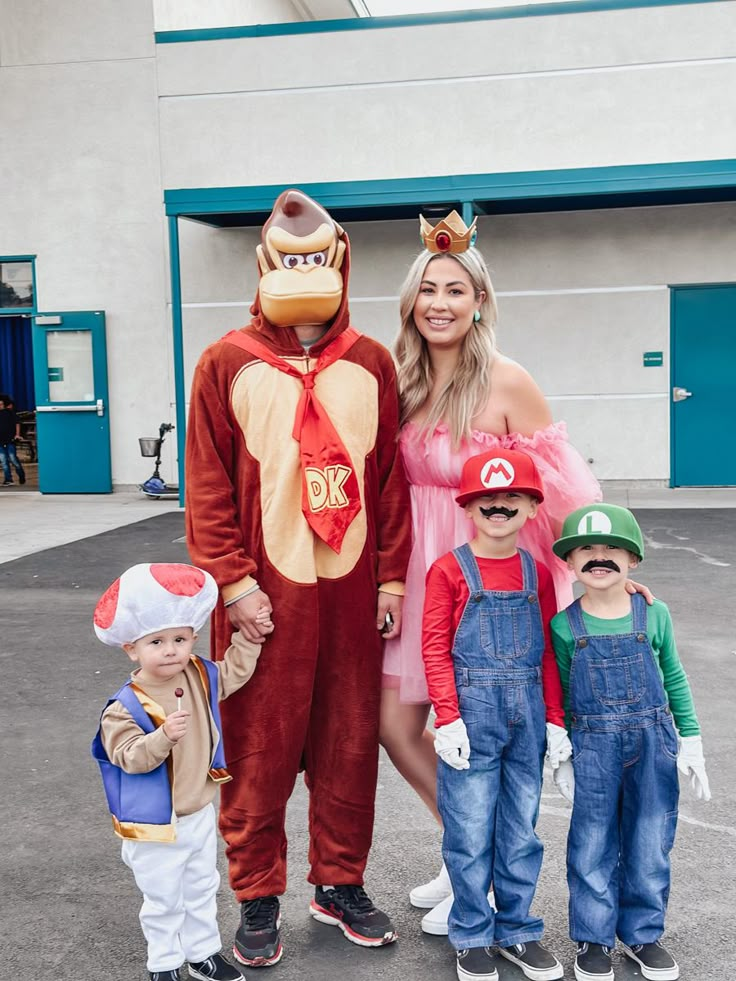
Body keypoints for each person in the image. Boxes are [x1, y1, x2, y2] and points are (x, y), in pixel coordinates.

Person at [185, 189, 411, 967]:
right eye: (292, 258)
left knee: (348, 744)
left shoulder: (373, 363)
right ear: (265, 263)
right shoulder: (225, 361)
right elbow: (207, 486)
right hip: (263, 596)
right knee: (259, 747)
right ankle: (255, 893)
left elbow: (389, 484)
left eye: (320, 258)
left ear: (342, 263)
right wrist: (234, 583)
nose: (307, 271)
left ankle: (338, 881)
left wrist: (390, 581)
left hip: (350, 593)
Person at [380, 210, 601, 933]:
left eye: (457, 289)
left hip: (491, 575)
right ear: (412, 302)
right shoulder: (400, 378)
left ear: (480, 303)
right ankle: (465, 850)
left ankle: (488, 876)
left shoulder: (508, 382)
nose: (440, 302)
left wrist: (596, 572)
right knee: (396, 721)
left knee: (482, 730)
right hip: (419, 567)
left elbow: (564, 494)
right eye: (428, 289)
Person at [423, 447, 567, 981]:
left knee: (521, 831)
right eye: (488, 497)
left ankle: (517, 930)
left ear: (531, 507)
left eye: (513, 497)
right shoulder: (447, 570)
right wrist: (449, 717)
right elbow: (435, 646)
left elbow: (550, 652)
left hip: (528, 716)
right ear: (468, 507)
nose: (500, 505)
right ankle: (471, 932)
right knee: (467, 830)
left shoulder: (539, 573)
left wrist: (555, 718)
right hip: (472, 717)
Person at [549, 504, 711, 981]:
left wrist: (692, 738)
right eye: (586, 550)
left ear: (633, 560)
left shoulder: (654, 613)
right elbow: (559, 689)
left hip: (653, 740)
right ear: (570, 563)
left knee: (649, 840)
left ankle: (642, 934)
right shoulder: (564, 626)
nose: (599, 558)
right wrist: (560, 748)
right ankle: (593, 938)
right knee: (592, 843)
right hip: (592, 745)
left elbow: (675, 677)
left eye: (612, 548)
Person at [91, 562, 265, 981]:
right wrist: (163, 738)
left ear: (192, 639)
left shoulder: (199, 674)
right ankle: (164, 964)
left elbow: (234, 673)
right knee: (164, 897)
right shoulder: (123, 706)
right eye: (156, 641)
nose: (170, 649)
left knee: (202, 888)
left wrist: (250, 636)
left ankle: (203, 954)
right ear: (131, 648)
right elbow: (129, 757)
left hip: (198, 811)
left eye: (179, 639)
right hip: (154, 825)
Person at [0, 393, 26, 485]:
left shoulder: (10, 413)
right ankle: (8, 479)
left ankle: (21, 475)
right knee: (4, 461)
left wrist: (17, 434)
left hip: (10, 440)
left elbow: (17, 423)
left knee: (13, 459)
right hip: (0, 441)